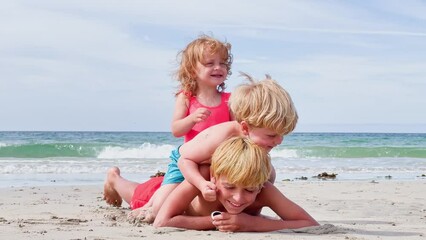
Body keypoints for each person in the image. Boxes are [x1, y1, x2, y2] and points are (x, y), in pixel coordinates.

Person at [128, 73, 298, 222]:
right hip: (186, 161)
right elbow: (184, 160)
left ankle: (252, 213)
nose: (279, 141)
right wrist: (201, 184)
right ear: (245, 128)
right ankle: (150, 204)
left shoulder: (255, 142)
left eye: (282, 134)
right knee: (159, 209)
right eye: (271, 136)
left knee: (269, 173)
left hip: (215, 166)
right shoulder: (221, 136)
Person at [104, 137, 318, 232]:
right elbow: (162, 221)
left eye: (250, 190)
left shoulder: (263, 189)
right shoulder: (202, 180)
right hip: (162, 191)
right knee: (136, 196)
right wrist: (217, 221)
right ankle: (114, 178)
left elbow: (309, 223)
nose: (238, 198)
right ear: (214, 178)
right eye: (230, 187)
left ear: (260, 184)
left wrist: (253, 224)